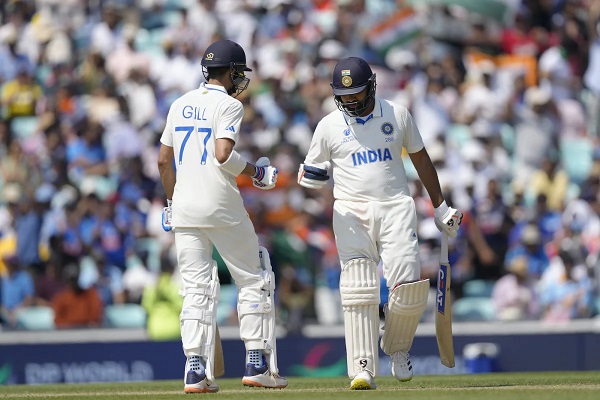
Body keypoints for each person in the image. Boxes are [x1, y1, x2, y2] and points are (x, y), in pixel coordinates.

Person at [298, 57, 463, 390]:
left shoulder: (397, 114)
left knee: (409, 288)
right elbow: (312, 173)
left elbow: (421, 159)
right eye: (343, 96)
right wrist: (309, 179)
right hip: (350, 212)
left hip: (396, 207)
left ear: (371, 87)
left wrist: (441, 207)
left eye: (356, 93)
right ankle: (362, 368)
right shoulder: (328, 126)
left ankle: (397, 348)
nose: (350, 101)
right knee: (358, 289)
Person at [157, 39, 287, 394]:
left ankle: (195, 370)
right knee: (253, 277)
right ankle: (256, 363)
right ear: (230, 72)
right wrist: (257, 173)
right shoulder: (229, 105)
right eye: (239, 72)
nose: (241, 79)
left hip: (184, 207)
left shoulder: (179, 103)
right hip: (220, 204)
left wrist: (170, 203)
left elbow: (163, 161)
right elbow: (223, 155)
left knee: (195, 289)